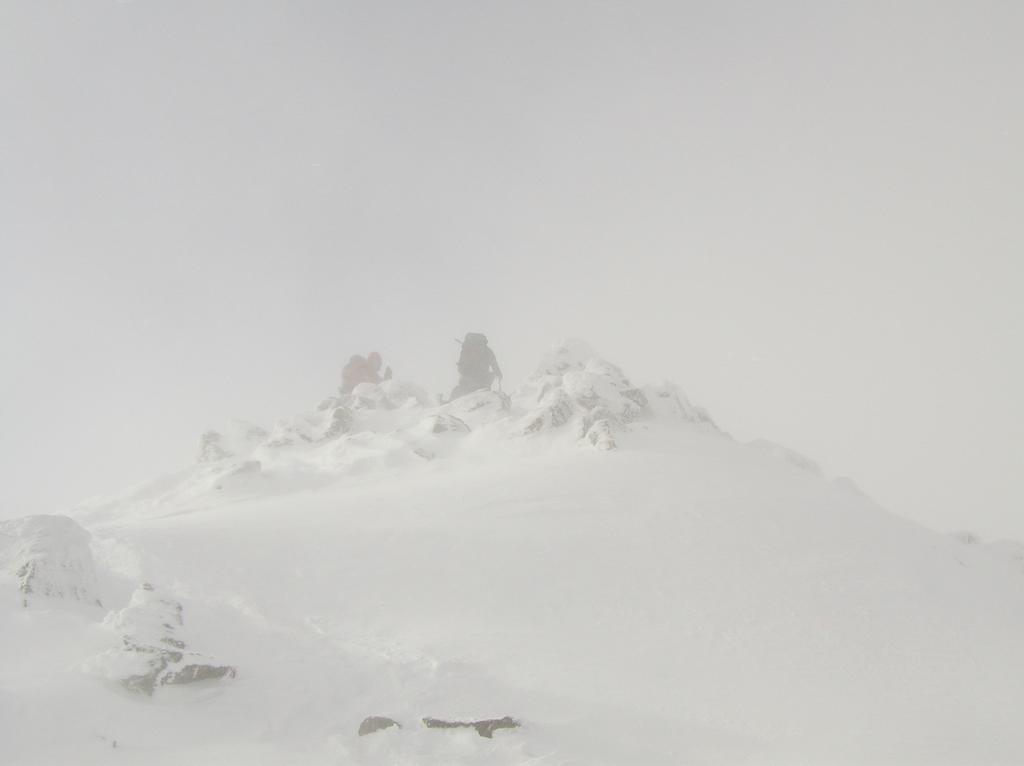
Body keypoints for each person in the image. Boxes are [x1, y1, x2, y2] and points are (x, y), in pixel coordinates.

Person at [449, 333, 502, 400]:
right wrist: (499, 375)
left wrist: (465, 372)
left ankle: (447, 403)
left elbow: (460, 367)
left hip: (468, 380)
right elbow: (495, 366)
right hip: (483, 380)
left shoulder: (467, 349)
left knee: (458, 391)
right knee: (488, 381)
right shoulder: (488, 351)